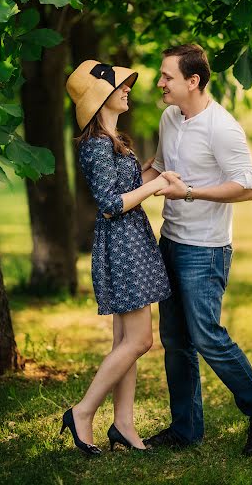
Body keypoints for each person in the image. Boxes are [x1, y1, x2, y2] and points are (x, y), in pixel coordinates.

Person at [141, 44, 252, 456]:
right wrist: (125, 187)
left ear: (193, 81)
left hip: (204, 250)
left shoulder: (222, 127)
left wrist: (190, 192)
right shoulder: (171, 117)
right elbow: (159, 164)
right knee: (175, 339)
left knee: (206, 336)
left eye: (167, 76)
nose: (160, 83)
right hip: (170, 240)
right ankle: (186, 430)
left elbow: (248, 186)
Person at [62, 60, 172, 455]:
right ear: (100, 97)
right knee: (140, 340)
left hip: (131, 241)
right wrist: (156, 184)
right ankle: (83, 412)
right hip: (122, 245)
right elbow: (111, 203)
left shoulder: (115, 139)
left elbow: (128, 185)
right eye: (120, 85)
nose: (128, 89)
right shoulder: (94, 145)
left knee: (126, 340)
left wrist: (155, 173)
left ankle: (123, 424)